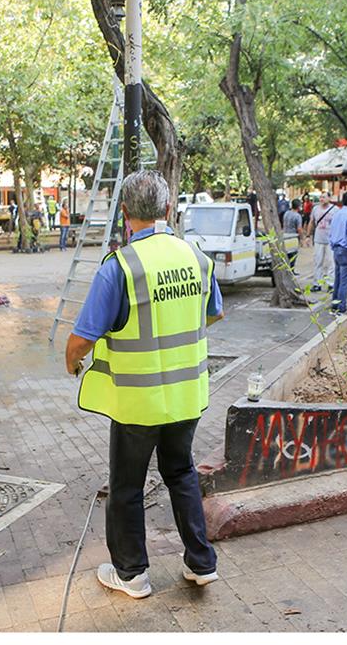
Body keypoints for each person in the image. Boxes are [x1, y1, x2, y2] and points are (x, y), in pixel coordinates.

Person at [65, 170, 223, 600]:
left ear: (126, 213)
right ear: (168, 210)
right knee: (181, 473)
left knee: (127, 487)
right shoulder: (197, 258)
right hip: (188, 396)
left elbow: (82, 338)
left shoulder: (121, 267)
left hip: (138, 403)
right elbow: (213, 313)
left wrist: (71, 361)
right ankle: (201, 563)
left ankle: (132, 574)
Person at [308, 192, 336, 291]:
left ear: (329, 198)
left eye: (324, 197)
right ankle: (317, 283)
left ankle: (331, 283)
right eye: (320, 197)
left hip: (330, 240)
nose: (321, 199)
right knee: (317, 261)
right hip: (318, 239)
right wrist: (308, 235)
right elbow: (311, 222)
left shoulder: (335, 210)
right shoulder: (315, 209)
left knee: (331, 262)